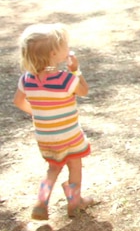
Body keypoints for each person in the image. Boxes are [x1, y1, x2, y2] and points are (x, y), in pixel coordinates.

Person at [14, 23, 93, 220]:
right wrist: (76, 71)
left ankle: (41, 202)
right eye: (65, 46)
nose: (69, 48)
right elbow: (84, 91)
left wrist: (38, 114)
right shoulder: (65, 79)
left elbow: (18, 101)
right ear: (53, 54)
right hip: (69, 135)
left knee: (53, 168)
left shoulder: (27, 79)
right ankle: (75, 202)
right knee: (74, 165)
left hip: (45, 136)